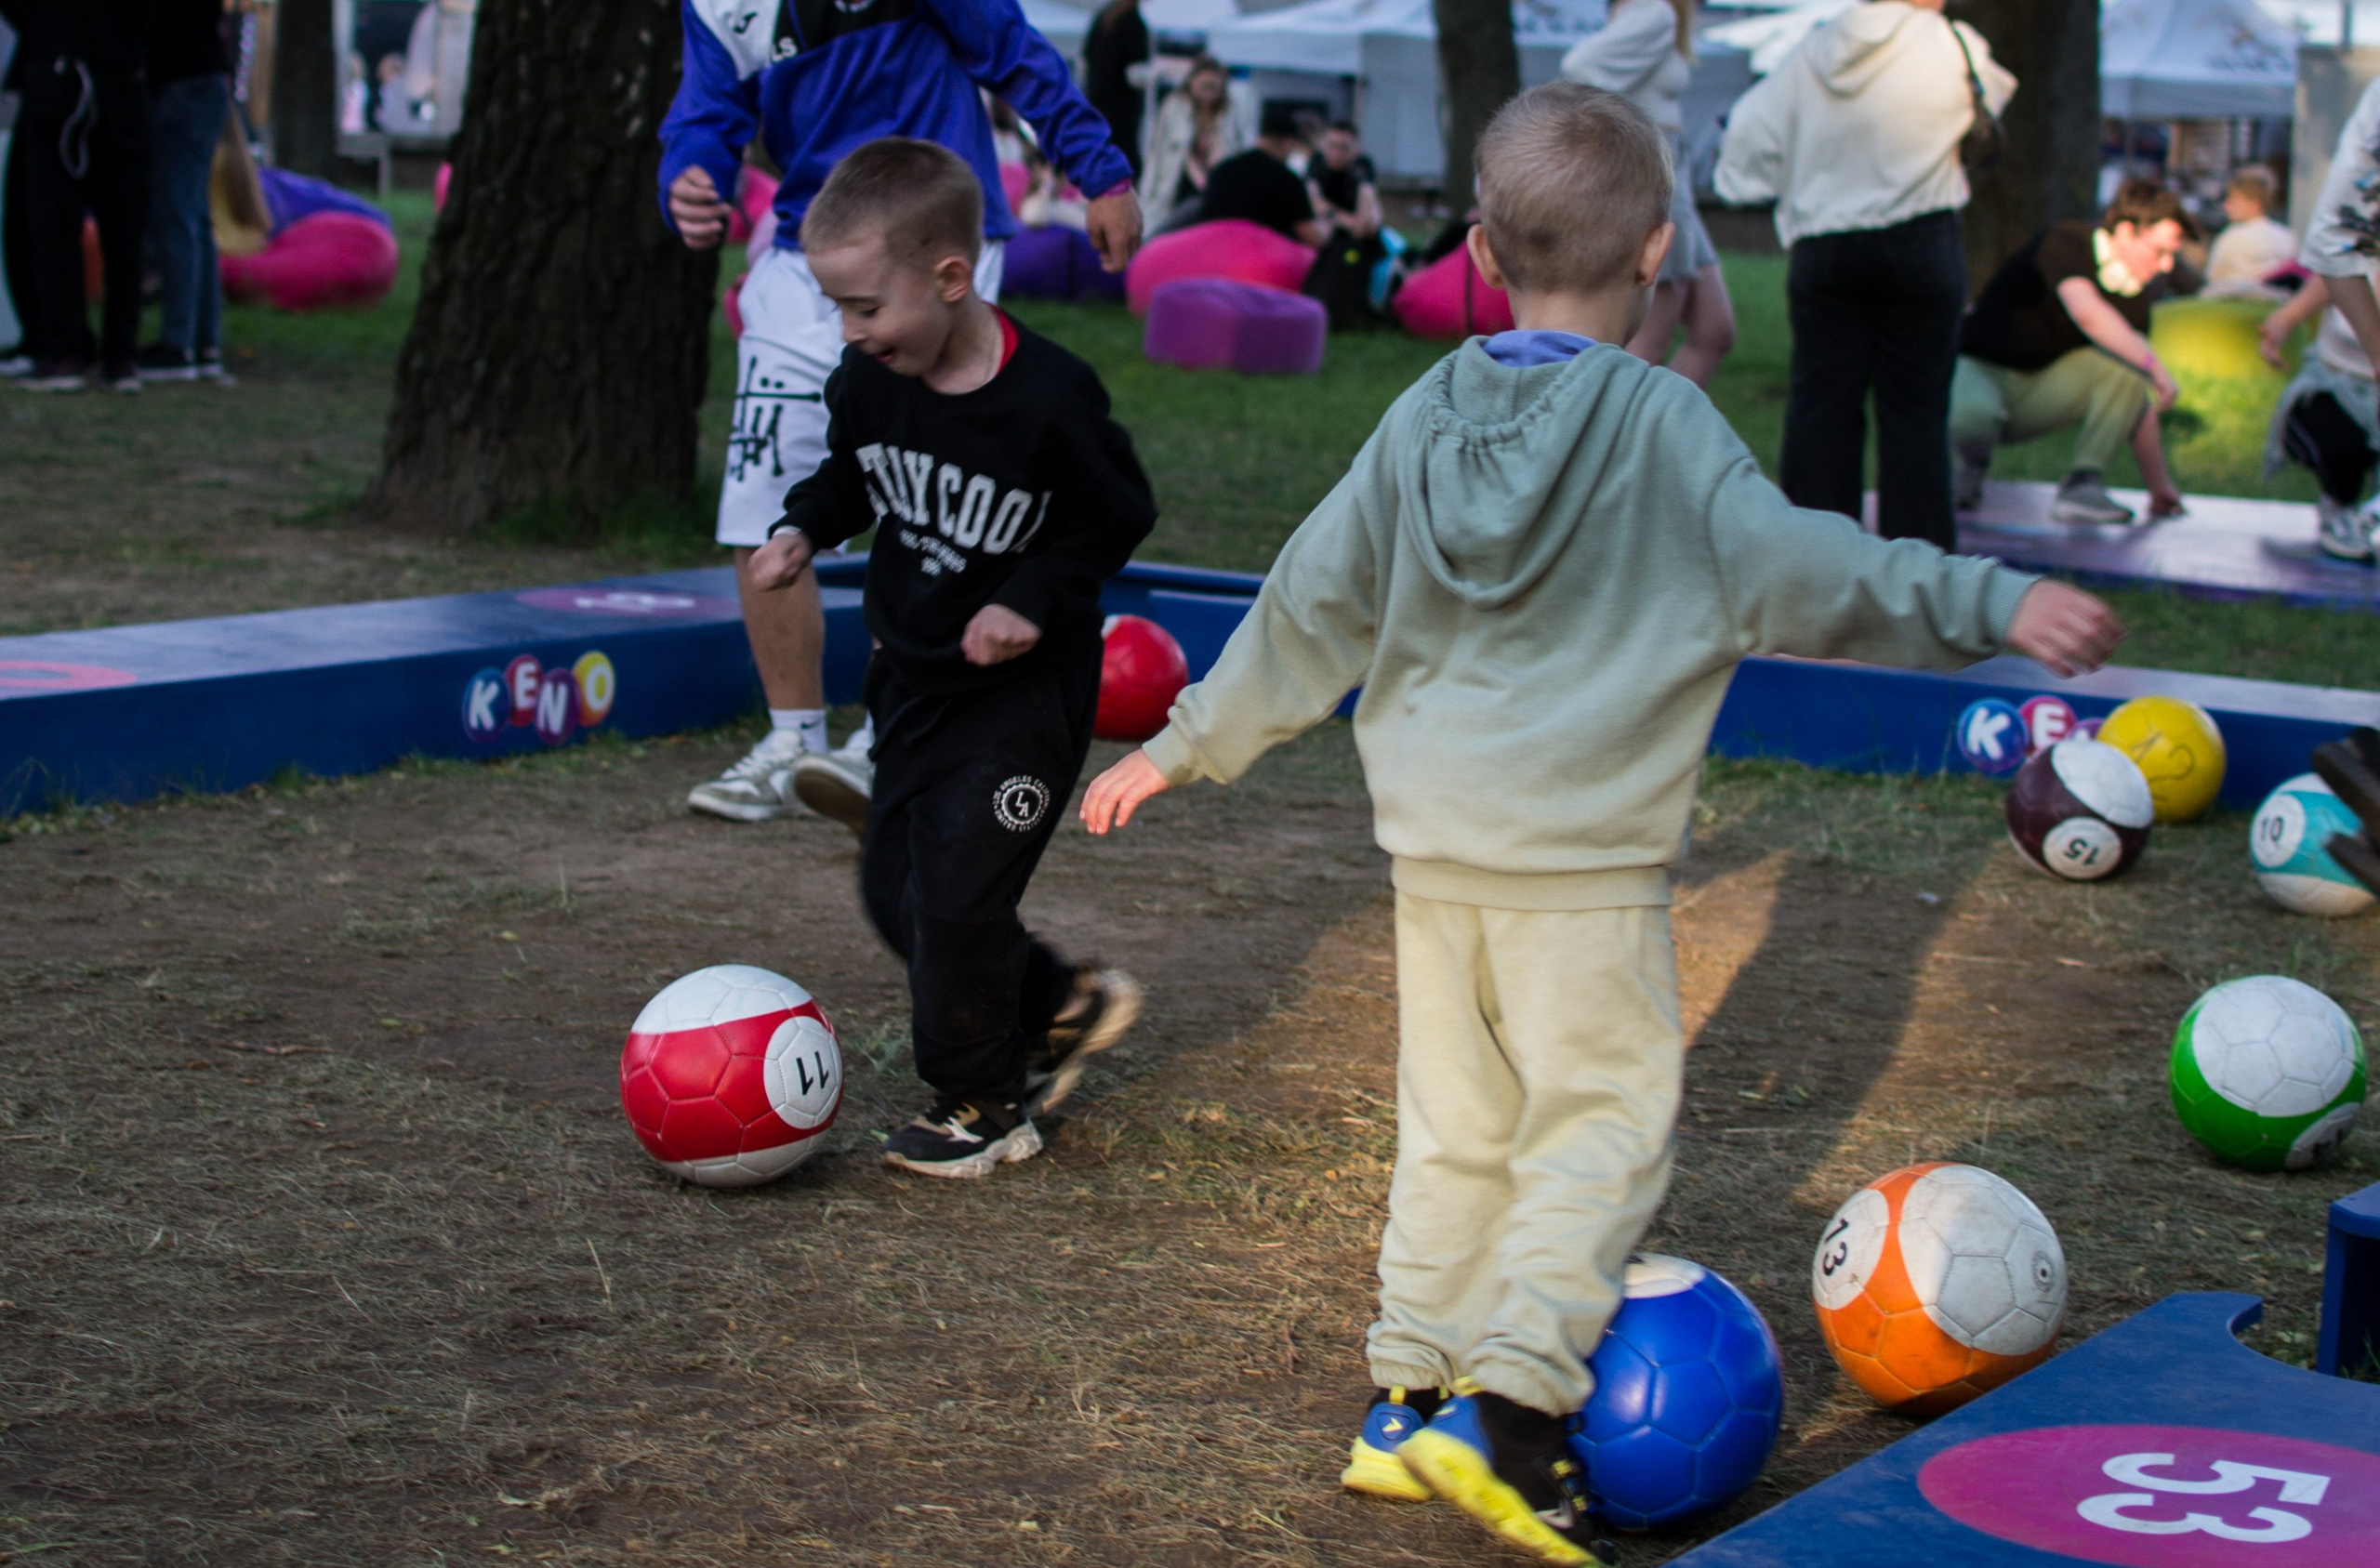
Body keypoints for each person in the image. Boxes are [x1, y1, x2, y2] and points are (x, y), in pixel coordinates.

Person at [1080, 82, 2121, 1566]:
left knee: (1455, 1132)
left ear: (1487, 258)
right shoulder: (1660, 425)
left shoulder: (1422, 415)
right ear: (1656, 254)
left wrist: (1187, 741)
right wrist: (1990, 596)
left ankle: (1404, 1390)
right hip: (1577, 867)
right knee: (1604, 1134)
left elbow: (1312, 594)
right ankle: (1511, 1406)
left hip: (1436, 856)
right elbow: (1813, 566)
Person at [746, 139, 1154, 1176]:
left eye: (867, 307)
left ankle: (982, 1101)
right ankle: (1058, 1002)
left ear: (951, 276)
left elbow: (1117, 514)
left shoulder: (1052, 398)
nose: (851, 331)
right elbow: (850, 475)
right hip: (915, 686)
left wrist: (1028, 597)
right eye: (837, 307)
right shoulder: (870, 380)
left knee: (958, 898)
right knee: (896, 895)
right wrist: (802, 528)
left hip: (1024, 700)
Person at [658, 0, 1141, 830]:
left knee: (929, 498)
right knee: (758, 504)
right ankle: (790, 743)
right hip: (804, 253)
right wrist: (691, 170)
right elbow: (709, 103)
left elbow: (1014, 53)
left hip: (931, 257)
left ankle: (893, 738)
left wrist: (1099, 171)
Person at [1714, 0, 2014, 549]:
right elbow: (1991, 102)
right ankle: (1921, 578)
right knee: (1917, 415)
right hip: (1922, 237)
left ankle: (1815, 568)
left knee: (1822, 409)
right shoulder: (1951, 43)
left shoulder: (1812, 49)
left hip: (1824, 245)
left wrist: (1767, 183)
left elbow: (1749, 131)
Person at [1950, 178, 2197, 526]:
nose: (2167, 266)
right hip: (1981, 370)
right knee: (1972, 415)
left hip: (2039, 392)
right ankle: (1970, 466)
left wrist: (2160, 487)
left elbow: (2133, 397)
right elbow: (2087, 313)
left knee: (2128, 364)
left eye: (2173, 255)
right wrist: (2156, 368)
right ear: (2126, 232)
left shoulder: (2134, 298)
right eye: (2160, 252)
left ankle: (2083, 483)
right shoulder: (2068, 241)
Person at [1560, 0, 1734, 387]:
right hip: (1657, 173)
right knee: (1648, 345)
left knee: (1713, 330)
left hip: (1673, 173)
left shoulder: (1641, 11)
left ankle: (1659, 434)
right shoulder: (1655, 12)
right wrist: (1623, 131)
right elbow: (1580, 66)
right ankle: (1613, 439)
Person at [2260, 74, 2380, 562]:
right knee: (2332, 436)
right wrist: (2286, 318)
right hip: (2346, 374)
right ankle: (2341, 505)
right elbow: (2337, 247)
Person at [10, 0, 155, 393]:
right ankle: (119, 354)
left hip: (62, 73)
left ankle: (65, 351)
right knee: (123, 228)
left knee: (55, 223)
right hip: (121, 75)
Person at [139, 0, 232, 382]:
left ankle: (178, 343)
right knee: (194, 214)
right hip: (205, 77)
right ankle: (203, 340)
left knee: (176, 214)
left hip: (180, 79)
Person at [1138, 55, 1251, 233]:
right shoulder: (1175, 107)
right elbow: (1157, 152)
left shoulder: (1228, 112)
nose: (1208, 93)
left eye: (1213, 87)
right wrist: (1148, 193)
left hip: (1215, 190)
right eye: (1204, 86)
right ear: (1192, 83)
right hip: (1177, 188)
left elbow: (1235, 150)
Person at [1198, 103, 1325, 246]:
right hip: (1257, 257)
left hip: (1214, 250)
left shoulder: (1222, 169)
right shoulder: (1287, 179)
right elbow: (1307, 232)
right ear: (1288, 143)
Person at [2203, 165, 2295, 299]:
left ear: (2255, 203)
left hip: (2235, 305)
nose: (2226, 206)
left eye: (2233, 201)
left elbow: (2212, 277)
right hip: (2274, 305)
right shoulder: (2287, 236)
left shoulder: (2231, 236)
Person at [1082, 0, 1148, 178]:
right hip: (1123, 109)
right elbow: (1135, 75)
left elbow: (1086, 60)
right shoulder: (1135, 23)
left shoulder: (1101, 19)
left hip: (1097, 102)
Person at [1308, 122, 1381, 239]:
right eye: (1332, 146)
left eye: (1344, 148)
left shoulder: (1362, 167)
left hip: (1354, 234)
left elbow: (1366, 226)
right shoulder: (1316, 163)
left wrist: (1331, 213)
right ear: (1323, 146)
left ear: (1356, 149)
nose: (1336, 154)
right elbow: (1314, 204)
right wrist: (1347, 221)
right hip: (1329, 230)